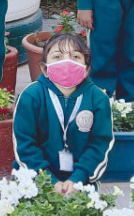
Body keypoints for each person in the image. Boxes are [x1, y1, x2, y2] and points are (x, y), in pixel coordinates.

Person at [12, 32, 113, 193]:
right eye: (57, 57)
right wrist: (48, 180)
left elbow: (100, 144)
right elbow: (25, 144)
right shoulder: (31, 96)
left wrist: (77, 179)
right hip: (34, 178)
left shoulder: (98, 98)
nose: (66, 62)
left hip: (81, 181)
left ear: (86, 69)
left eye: (75, 57)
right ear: (45, 69)